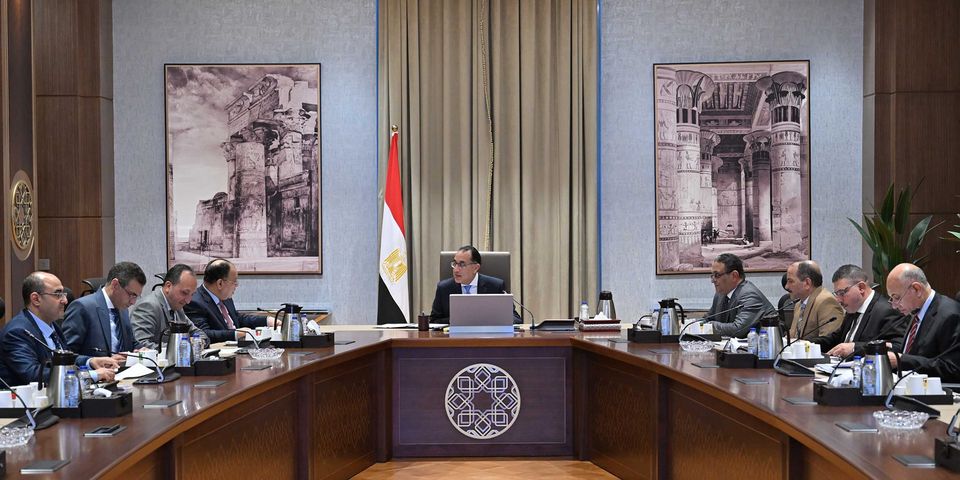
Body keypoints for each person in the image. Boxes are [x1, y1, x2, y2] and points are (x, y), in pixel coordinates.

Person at [0, 272, 119, 386]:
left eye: (63, 294)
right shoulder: (17, 332)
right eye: (58, 294)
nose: (65, 300)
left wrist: (90, 362)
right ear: (36, 299)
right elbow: (34, 375)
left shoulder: (52, 325)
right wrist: (90, 375)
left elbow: (65, 359)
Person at [811, 264, 906, 357]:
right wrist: (808, 344)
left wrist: (854, 348)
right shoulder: (852, 308)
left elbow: (898, 346)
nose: (838, 300)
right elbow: (835, 339)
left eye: (842, 293)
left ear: (861, 288)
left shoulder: (887, 311)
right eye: (837, 294)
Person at [886, 263, 960, 380]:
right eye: (892, 299)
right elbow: (915, 353)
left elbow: (952, 368)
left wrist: (901, 360)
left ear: (917, 289)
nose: (894, 306)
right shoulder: (915, 311)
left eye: (897, 297)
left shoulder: (950, 315)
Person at [62, 261, 147, 359]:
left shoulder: (123, 309)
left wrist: (141, 349)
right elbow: (66, 355)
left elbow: (130, 343)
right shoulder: (82, 308)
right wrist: (92, 361)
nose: (133, 302)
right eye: (132, 295)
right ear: (115, 285)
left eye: (136, 297)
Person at [184, 258, 275, 343]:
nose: (237, 285)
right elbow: (203, 334)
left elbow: (237, 319)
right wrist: (235, 334)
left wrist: (267, 320)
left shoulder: (225, 297)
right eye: (234, 282)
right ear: (220, 283)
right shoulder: (194, 302)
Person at [430, 245, 519, 324]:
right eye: (455, 264)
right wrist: (456, 320)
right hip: (454, 336)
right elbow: (434, 321)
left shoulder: (495, 286)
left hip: (487, 336)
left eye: (462, 264)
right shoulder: (444, 288)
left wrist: (491, 320)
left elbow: (516, 319)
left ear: (475, 268)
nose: (456, 270)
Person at [130, 264, 208, 350]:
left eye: (192, 294)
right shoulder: (148, 306)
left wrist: (197, 342)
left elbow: (200, 334)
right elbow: (140, 344)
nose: (188, 301)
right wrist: (182, 346)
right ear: (168, 286)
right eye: (185, 293)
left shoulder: (177, 306)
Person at [705, 253, 773, 338]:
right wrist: (694, 324)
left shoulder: (750, 295)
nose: (713, 280)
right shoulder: (720, 294)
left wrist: (710, 326)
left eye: (717, 275)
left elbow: (738, 330)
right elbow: (708, 318)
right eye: (712, 276)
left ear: (734, 276)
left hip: (764, 344)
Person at [785, 260, 844, 340]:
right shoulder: (799, 304)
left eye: (791, 281)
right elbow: (793, 337)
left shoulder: (826, 302)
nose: (787, 287)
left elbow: (829, 342)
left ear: (807, 283)